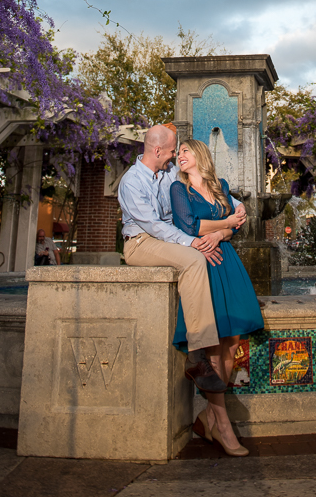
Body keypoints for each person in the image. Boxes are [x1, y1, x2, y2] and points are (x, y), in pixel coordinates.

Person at [117, 124, 246, 393]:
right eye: (173, 149)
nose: (176, 154)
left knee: (197, 256)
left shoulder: (168, 174)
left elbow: (201, 183)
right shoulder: (132, 182)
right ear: (157, 150)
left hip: (165, 240)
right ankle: (198, 355)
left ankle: (203, 350)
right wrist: (192, 242)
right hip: (140, 242)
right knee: (194, 259)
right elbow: (153, 226)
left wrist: (235, 203)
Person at [171, 139, 264, 458]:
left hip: (225, 260)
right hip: (201, 265)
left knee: (233, 341)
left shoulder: (221, 184)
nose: (179, 156)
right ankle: (222, 423)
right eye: (178, 152)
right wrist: (221, 226)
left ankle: (208, 415)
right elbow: (188, 225)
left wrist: (220, 233)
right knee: (212, 343)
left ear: (200, 155)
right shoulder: (178, 189)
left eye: (185, 151)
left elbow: (235, 227)